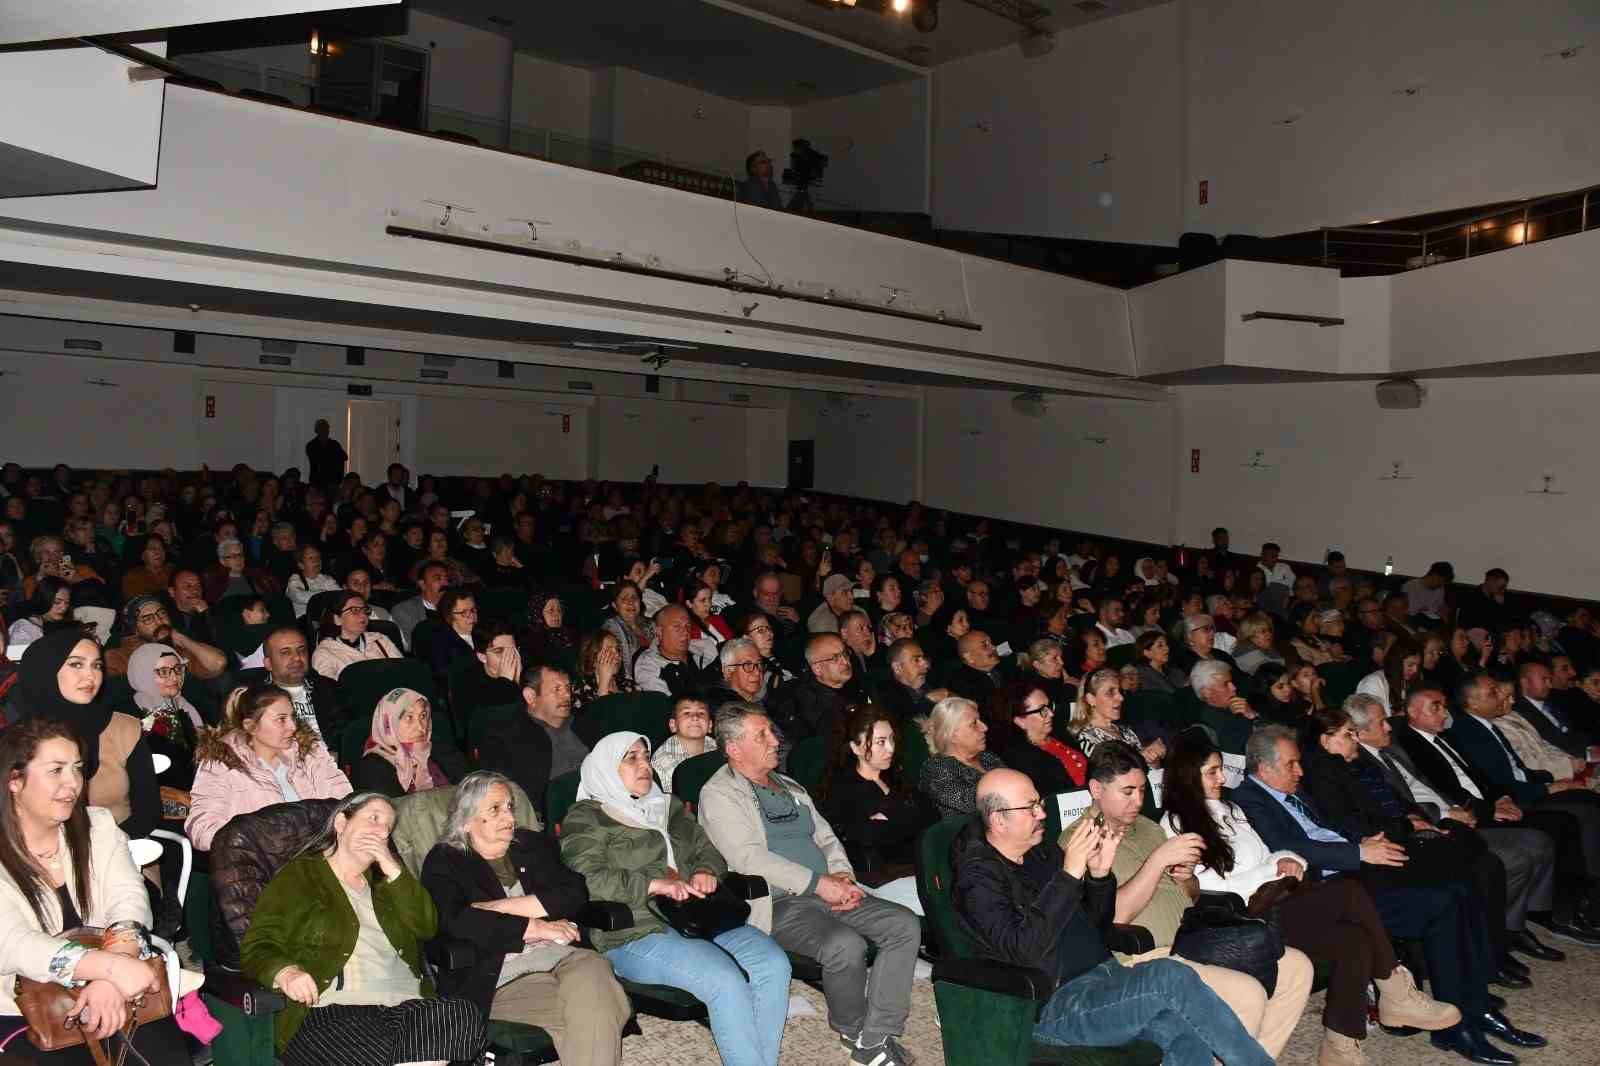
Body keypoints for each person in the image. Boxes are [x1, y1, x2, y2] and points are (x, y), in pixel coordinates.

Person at [1232, 725, 1542, 1063]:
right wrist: (1358, 854)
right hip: (1333, 886)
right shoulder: (1248, 800)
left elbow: (1330, 825)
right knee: (1442, 902)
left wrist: (1365, 841)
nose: (1300, 771)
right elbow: (1289, 846)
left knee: (1462, 880)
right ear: (1264, 767)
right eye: (1292, 764)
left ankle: (1475, 1002)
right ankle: (1456, 1027)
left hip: (1358, 862)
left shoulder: (1292, 793)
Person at [1160, 733, 1459, 1064]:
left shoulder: (1230, 809)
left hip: (1277, 899)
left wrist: (1287, 862)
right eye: (1212, 772)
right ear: (1188, 775)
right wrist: (1271, 873)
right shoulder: (1176, 822)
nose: (1222, 778)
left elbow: (1267, 856)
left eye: (1220, 769)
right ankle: (1394, 988)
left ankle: (1341, 1044)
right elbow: (1207, 887)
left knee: (1354, 939)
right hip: (1240, 919)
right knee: (1348, 892)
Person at [950, 766, 1277, 1066]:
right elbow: (1023, 949)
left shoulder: (1041, 854)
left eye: (1039, 803)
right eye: (1030, 807)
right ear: (998, 820)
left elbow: (1097, 924)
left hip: (1106, 978)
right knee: (1168, 976)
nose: (1041, 813)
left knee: (1181, 1029)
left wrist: (1098, 876)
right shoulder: (978, 880)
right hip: (1055, 1004)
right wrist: (1069, 875)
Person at [699, 703, 920, 1066]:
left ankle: (875, 1035)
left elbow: (826, 836)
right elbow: (747, 859)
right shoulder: (719, 794)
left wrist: (843, 875)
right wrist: (819, 884)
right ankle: (852, 1028)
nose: (775, 739)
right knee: (844, 945)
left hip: (830, 887)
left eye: (772, 730)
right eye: (762, 735)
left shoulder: (789, 785)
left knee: (904, 925)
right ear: (734, 749)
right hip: (781, 902)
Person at [1068, 741, 1314, 1061]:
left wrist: (1186, 879)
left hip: (1193, 938)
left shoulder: (1148, 828)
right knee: (1248, 993)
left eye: (1143, 790)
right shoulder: (1080, 841)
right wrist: (1157, 863)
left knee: (1297, 969)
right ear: (1097, 789)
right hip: (1141, 957)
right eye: (1127, 792)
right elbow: (1109, 919)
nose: (1138, 801)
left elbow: (1192, 894)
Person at [561, 731, 791, 1066]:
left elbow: (707, 849)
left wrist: (706, 871)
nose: (645, 766)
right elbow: (587, 881)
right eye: (631, 758)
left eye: (646, 756)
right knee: (724, 979)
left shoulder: (666, 806)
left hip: (698, 915)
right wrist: (653, 885)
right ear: (606, 768)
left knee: (773, 964)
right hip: (636, 929)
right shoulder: (586, 818)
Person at [240, 791, 486, 1066]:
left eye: (388, 827)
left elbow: (427, 927)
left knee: (461, 1013)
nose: (381, 831)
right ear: (341, 824)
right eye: (373, 818)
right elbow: (258, 943)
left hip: (408, 1009)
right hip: (332, 1012)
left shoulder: (388, 886)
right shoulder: (301, 876)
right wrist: (285, 971)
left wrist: (393, 868)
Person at [0, 717, 191, 1066]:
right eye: (55, 770)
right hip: (24, 1007)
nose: (72, 783)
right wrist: (108, 969)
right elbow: (13, 943)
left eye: (76, 768)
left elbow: (129, 900)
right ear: (14, 780)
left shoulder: (98, 826)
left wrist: (110, 977)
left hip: (119, 984)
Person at [421, 771, 630, 1066]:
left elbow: (574, 891)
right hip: (502, 978)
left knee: (594, 970)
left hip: (565, 958)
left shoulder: (531, 844)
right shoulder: (445, 860)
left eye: (509, 806)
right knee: (602, 1004)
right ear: (466, 821)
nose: (508, 815)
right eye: (495, 809)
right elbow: (455, 921)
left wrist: (500, 907)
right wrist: (532, 926)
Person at [1394, 685, 1600, 946]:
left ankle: (1558, 908)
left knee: (1564, 822)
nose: (1444, 712)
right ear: (1412, 711)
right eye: (1435, 707)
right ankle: (1556, 914)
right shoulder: (1411, 744)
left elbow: (1479, 775)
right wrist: (1492, 809)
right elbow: (1445, 790)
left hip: (1489, 803)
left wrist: (1500, 797)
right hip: (1469, 814)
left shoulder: (1446, 736)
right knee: (1557, 825)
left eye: (1444, 705)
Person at [5, 632, 159, 840]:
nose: (90, 676)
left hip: (123, 849)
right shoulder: (17, 740)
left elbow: (148, 811)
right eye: (76, 665)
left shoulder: (124, 728)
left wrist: (104, 851)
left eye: (96, 665)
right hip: (40, 859)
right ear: (46, 670)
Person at [185, 682, 352, 851]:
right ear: (251, 726)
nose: (293, 726)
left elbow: (346, 803)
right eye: (281, 719)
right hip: (262, 862)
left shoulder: (310, 752)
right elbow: (201, 828)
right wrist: (256, 838)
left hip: (321, 852)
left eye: (292, 717)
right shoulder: (221, 764)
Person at [815, 704, 934, 912]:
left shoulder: (895, 776)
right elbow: (866, 837)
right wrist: (904, 817)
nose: (890, 748)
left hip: (918, 866)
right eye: (880, 742)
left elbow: (932, 817)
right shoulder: (842, 788)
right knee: (942, 903)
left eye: (891, 740)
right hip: (879, 876)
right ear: (856, 748)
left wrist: (888, 817)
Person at [350, 687, 456, 797]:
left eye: (423, 716)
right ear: (390, 722)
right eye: (409, 717)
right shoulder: (373, 767)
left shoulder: (436, 745)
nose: (420, 727)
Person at [985, 678, 1087, 792]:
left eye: (1049, 706)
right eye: (1042, 710)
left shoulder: (1059, 734)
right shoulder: (1021, 759)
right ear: (1021, 721)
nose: (1051, 713)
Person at [126, 642, 202, 788]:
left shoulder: (190, 705)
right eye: (163, 672)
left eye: (177, 669)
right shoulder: (131, 717)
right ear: (143, 674)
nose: (174, 677)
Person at [917, 695, 1004, 818]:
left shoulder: (988, 758)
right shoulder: (935, 769)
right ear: (951, 735)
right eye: (974, 724)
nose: (985, 728)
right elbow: (973, 804)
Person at [103, 594, 227, 680]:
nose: (159, 621)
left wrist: (182, 639)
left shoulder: (180, 647)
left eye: (161, 613)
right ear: (134, 628)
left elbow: (218, 663)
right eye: (148, 619)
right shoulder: (119, 656)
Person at [768, 633, 861, 745]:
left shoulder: (856, 684)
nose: (845, 662)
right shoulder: (810, 706)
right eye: (835, 658)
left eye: (845, 653)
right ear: (817, 669)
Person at [1072, 668, 1163, 766]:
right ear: (1091, 699)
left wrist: (1153, 758)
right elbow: (1110, 775)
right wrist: (1142, 758)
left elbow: (1149, 769)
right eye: (1110, 693)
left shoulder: (1125, 731)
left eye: (1119, 691)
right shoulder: (1086, 738)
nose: (1121, 698)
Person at [311, 591, 401, 681]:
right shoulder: (325, 653)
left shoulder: (380, 639)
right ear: (337, 619)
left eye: (365, 610)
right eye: (354, 610)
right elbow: (327, 690)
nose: (363, 615)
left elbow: (403, 670)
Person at [651, 695, 717, 793]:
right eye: (686, 713)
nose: (695, 717)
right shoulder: (663, 762)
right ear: (673, 725)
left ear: (710, 725)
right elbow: (671, 804)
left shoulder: (717, 747)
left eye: (701, 713)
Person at [600, 580, 654, 682]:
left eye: (634, 598)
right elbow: (622, 668)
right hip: (630, 681)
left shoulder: (650, 624)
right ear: (615, 606)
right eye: (624, 599)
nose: (630, 602)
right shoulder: (611, 628)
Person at [391, 561, 450, 651]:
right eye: (437, 578)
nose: (445, 583)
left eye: (446, 579)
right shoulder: (404, 610)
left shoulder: (456, 607)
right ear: (422, 585)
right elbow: (412, 647)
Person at [572, 630, 635, 712]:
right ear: (593, 657)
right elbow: (597, 720)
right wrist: (604, 684)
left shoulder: (627, 682)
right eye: (609, 650)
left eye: (618, 649)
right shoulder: (580, 691)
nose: (617, 654)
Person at [6, 576, 74, 646]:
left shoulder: (64, 625)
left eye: (67, 602)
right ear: (43, 600)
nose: (64, 608)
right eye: (57, 602)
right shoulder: (24, 628)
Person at [284, 544, 341, 619]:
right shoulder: (296, 579)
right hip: (304, 621)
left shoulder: (327, 579)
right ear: (301, 565)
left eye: (318, 557)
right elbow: (298, 596)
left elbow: (340, 596)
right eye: (311, 558)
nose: (316, 560)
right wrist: (325, 595)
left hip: (326, 619)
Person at [304, 418, 348, 490]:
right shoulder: (312, 445)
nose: (325, 431)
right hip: (317, 481)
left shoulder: (334, 444)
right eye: (322, 428)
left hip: (334, 481)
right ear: (317, 430)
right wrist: (333, 457)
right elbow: (317, 460)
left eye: (327, 428)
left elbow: (345, 457)